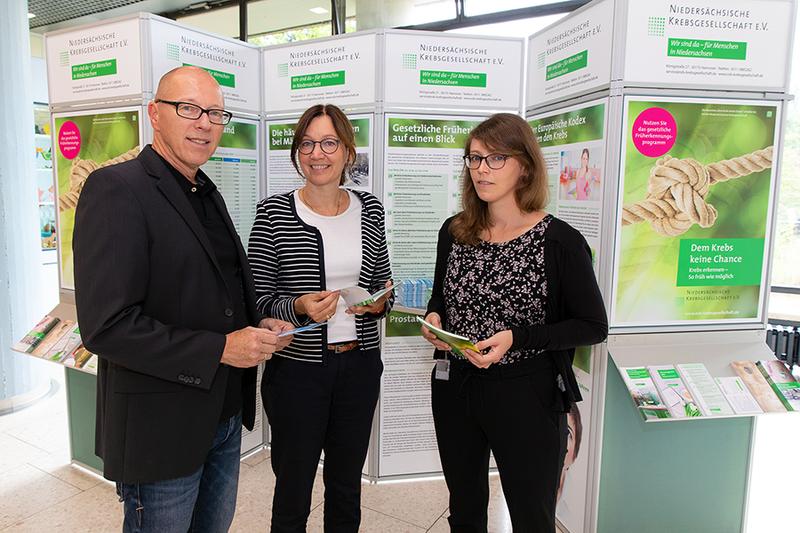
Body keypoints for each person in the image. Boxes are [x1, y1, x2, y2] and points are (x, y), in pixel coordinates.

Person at [73, 66, 293, 533]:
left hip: (224, 413)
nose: (205, 123)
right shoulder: (117, 190)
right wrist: (219, 349)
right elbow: (106, 326)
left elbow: (220, 287)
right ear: (155, 114)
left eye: (215, 112)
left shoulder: (205, 191)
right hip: (161, 429)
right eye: (188, 108)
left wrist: (260, 324)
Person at [420, 113, 608, 532]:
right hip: (456, 389)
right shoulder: (454, 231)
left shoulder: (559, 240)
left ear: (525, 165)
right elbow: (441, 297)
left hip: (527, 393)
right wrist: (435, 319)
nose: (482, 169)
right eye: (474, 159)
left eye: (496, 158)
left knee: (530, 514)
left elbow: (593, 325)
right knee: (464, 507)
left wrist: (517, 338)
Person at [248, 103, 393, 533]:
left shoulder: (370, 208)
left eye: (329, 142)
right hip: (298, 374)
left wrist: (379, 302)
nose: (318, 153)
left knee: (346, 486)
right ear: (297, 152)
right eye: (308, 143)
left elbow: (384, 280)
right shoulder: (273, 213)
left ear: (348, 151)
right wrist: (298, 306)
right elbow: (256, 298)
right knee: (293, 488)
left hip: (359, 366)